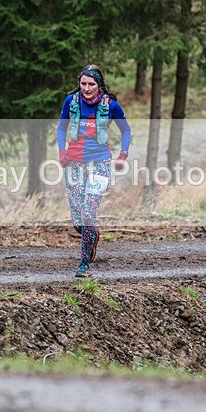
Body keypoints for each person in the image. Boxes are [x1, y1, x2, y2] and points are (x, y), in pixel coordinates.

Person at [57, 64, 131, 277]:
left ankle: (83, 265)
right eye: (83, 84)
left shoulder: (111, 105)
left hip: (100, 164)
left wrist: (122, 155)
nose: (86, 88)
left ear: (99, 85)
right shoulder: (71, 102)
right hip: (73, 164)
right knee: (78, 221)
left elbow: (126, 130)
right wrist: (62, 152)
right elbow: (62, 128)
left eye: (91, 84)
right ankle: (92, 235)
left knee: (88, 214)